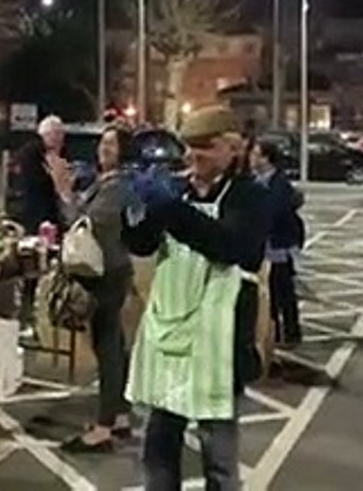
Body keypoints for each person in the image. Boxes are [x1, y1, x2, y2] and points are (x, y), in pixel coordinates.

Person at [123, 106, 269, 491]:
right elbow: (141, 245)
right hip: (170, 336)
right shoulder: (179, 189)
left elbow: (236, 247)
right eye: (189, 147)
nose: (193, 156)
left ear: (231, 149)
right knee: (157, 451)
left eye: (204, 147)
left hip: (217, 348)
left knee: (218, 458)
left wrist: (173, 210)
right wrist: (135, 210)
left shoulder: (248, 196)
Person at [47, 125, 136, 452]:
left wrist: (64, 192)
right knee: (114, 344)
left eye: (111, 144)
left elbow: (84, 224)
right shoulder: (108, 182)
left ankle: (104, 426)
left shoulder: (118, 186)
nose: (104, 148)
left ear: (124, 151)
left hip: (106, 274)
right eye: (103, 143)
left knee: (107, 348)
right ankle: (121, 415)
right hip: (110, 270)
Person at [249, 139, 306, 347]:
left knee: (283, 292)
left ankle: (291, 333)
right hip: (266, 246)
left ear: (266, 158)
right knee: (269, 293)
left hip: (279, 246)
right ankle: (273, 334)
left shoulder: (278, 184)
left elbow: (275, 213)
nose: (252, 158)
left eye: (256, 154)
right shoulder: (257, 181)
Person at [11, 114, 66, 328]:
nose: (61, 140)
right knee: (32, 269)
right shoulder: (34, 155)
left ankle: (36, 312)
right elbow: (37, 187)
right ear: (48, 134)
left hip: (45, 218)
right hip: (36, 219)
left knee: (40, 268)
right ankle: (28, 314)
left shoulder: (49, 155)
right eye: (58, 135)